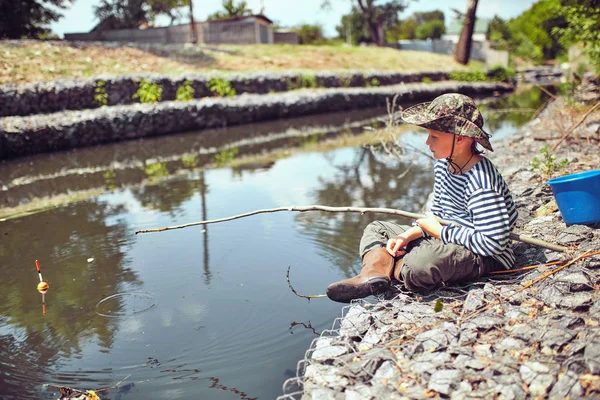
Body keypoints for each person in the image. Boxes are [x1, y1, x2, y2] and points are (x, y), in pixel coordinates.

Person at [326, 93, 518, 303]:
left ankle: (393, 268)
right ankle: (374, 274)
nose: (427, 142)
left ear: (460, 139)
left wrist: (439, 232)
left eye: (434, 137)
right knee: (377, 229)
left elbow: (493, 243)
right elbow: (436, 213)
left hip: (482, 255)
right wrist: (410, 234)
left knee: (422, 264)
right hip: (444, 236)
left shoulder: (481, 182)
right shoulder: (444, 164)